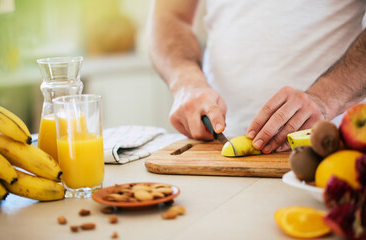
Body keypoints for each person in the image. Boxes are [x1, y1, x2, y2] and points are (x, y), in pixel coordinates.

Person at [147, 0, 366, 154]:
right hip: (213, 144)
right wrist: (187, 83)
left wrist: (324, 98)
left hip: (334, 146)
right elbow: (170, 16)